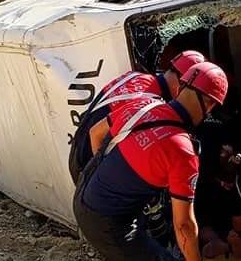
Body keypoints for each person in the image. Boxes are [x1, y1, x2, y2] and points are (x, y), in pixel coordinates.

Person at [73, 61, 228, 261]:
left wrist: (106, 176)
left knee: (137, 249)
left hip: (87, 193)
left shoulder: (144, 105)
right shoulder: (183, 151)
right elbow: (184, 225)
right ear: (208, 103)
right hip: (109, 220)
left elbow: (96, 132)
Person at [68, 49, 205, 183]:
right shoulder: (148, 103)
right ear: (183, 83)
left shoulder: (135, 76)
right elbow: (95, 134)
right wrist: (100, 176)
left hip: (77, 149)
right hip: (88, 166)